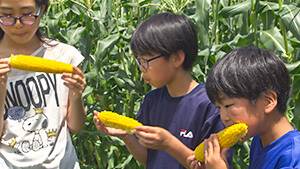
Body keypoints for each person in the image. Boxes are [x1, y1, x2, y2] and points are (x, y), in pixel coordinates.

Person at [93, 13, 232, 169]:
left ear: (176, 58)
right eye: (138, 60)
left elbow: (211, 166)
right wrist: (125, 135)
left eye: (145, 60)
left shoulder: (210, 105)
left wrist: (169, 144)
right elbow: (149, 159)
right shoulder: (151, 101)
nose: (141, 68)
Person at [0, 0, 87, 168]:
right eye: (7, 15)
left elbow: (76, 126)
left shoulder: (65, 56)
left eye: (27, 14)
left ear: (43, 9)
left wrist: (77, 97)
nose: (18, 24)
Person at [186, 46, 300, 169]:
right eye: (219, 108)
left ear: (268, 101)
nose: (223, 117)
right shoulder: (260, 140)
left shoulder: (292, 158)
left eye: (228, 105)